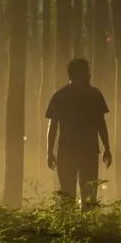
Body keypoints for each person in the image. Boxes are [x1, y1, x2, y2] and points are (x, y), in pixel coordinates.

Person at [45, 58, 112, 208]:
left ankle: (69, 226)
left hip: (67, 151)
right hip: (88, 151)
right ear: (80, 74)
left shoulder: (60, 95)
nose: (89, 75)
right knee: (89, 192)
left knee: (67, 193)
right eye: (87, 71)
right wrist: (107, 148)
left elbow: (53, 125)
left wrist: (49, 151)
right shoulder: (94, 94)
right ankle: (85, 226)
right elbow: (101, 124)